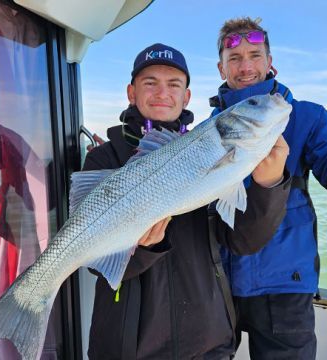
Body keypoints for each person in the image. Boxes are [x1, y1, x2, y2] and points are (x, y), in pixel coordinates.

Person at [82, 43, 292, 359]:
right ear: (131, 92)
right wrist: (144, 249)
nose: (162, 93)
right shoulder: (104, 158)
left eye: (174, 84)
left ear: (187, 96)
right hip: (127, 348)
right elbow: (96, 261)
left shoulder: (216, 149)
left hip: (209, 344)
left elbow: (243, 241)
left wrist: (269, 185)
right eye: (150, 83)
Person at [210, 18, 327, 359]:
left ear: (270, 61)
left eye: (255, 55)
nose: (246, 66)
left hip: (284, 286)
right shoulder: (206, 131)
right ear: (221, 67)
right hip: (216, 285)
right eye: (235, 58)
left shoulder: (305, 117)